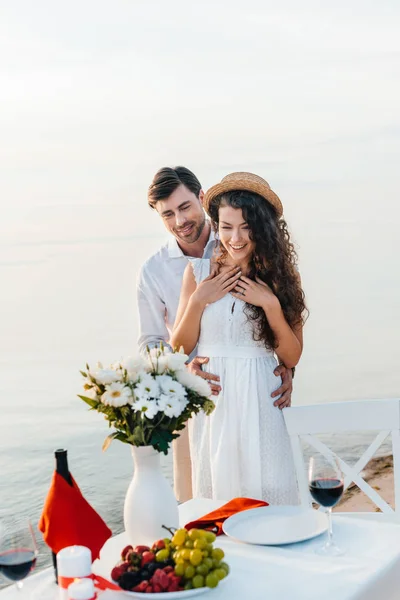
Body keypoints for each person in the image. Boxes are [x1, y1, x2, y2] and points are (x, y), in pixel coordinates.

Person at [137, 166, 295, 501]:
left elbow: (284, 346)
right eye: (168, 214)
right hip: (203, 394)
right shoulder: (158, 271)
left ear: (202, 199)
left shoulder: (254, 250)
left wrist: (285, 368)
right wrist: (182, 367)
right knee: (200, 494)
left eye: (184, 207)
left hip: (258, 393)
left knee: (267, 486)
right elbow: (157, 343)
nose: (180, 221)